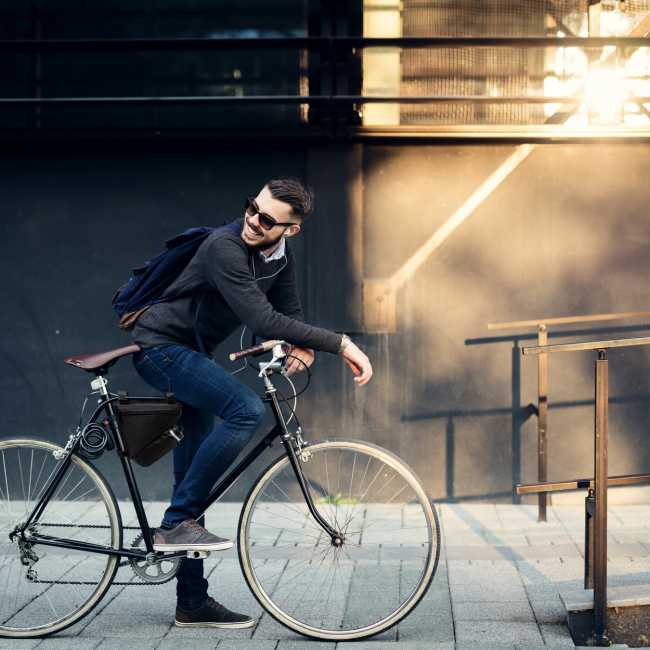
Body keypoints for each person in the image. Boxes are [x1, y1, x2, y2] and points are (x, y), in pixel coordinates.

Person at [131, 176, 372, 629]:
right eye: (251, 208)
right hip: (160, 348)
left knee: (193, 480)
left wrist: (303, 344)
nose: (252, 221)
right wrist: (339, 343)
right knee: (246, 409)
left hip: (190, 355)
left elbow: (288, 310)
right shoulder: (224, 247)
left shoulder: (280, 255)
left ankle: (192, 603)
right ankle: (176, 522)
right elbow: (260, 318)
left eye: (266, 219)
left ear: (290, 230)